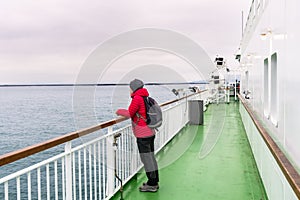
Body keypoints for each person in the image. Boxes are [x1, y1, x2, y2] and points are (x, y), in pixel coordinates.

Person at [116, 79, 159, 192]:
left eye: (130, 88)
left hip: (143, 135)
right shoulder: (145, 97)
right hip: (150, 132)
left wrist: (119, 111)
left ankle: (152, 185)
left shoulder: (137, 98)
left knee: (147, 159)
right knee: (151, 158)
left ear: (134, 88)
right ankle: (153, 181)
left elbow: (130, 113)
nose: (129, 90)